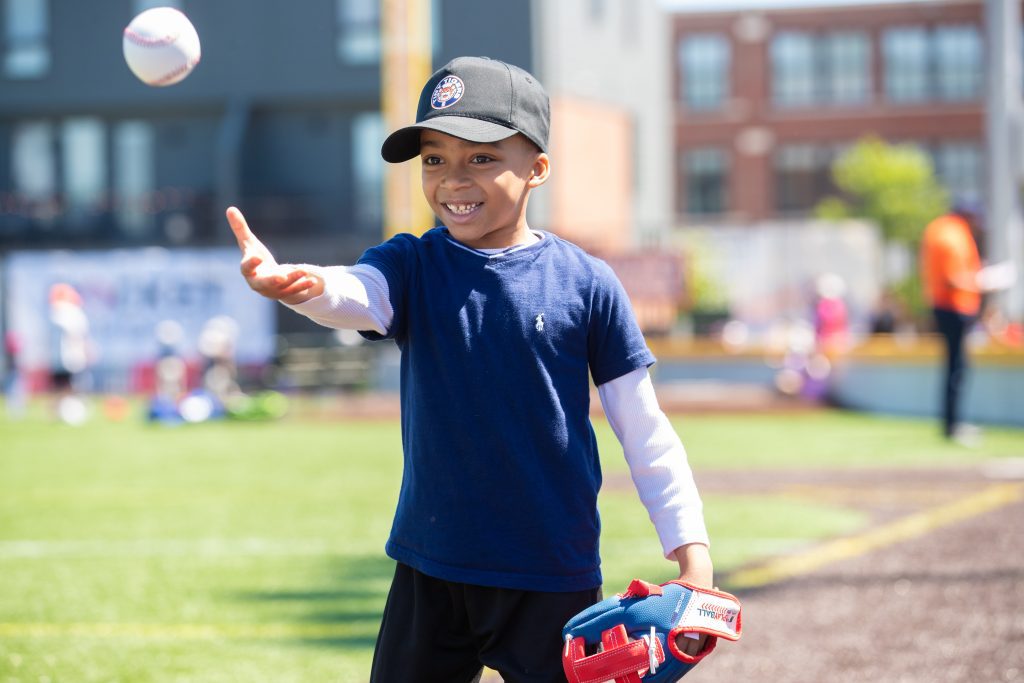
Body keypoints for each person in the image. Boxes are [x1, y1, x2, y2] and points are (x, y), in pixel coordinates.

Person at [227, 56, 713, 682]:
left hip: (550, 579)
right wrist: (301, 285)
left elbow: (645, 432)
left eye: (481, 157)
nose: (452, 179)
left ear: (537, 168)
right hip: (430, 567)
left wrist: (692, 558)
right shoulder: (411, 264)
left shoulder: (588, 283)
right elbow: (357, 292)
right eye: (434, 159)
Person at [919, 198, 1015, 444]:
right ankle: (953, 426)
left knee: (955, 367)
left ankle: (952, 424)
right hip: (953, 306)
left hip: (946, 305)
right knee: (957, 368)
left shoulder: (940, 229)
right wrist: (982, 281)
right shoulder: (952, 235)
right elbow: (953, 278)